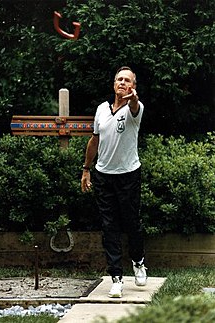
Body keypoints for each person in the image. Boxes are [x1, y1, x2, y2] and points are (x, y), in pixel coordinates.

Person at [81, 66, 147, 298]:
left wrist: (133, 98)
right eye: (119, 79)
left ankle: (138, 262)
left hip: (128, 175)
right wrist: (86, 169)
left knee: (131, 223)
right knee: (109, 227)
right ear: (113, 84)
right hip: (103, 176)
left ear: (133, 86)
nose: (122, 82)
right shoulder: (101, 109)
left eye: (127, 80)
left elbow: (134, 104)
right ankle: (116, 277)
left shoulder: (134, 110)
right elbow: (94, 141)